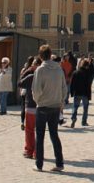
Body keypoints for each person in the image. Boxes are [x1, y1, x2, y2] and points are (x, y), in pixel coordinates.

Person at [31, 45, 65, 173]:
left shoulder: (40, 70)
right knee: (54, 135)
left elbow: (36, 90)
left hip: (43, 106)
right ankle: (60, 163)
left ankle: (39, 165)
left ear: (40, 56)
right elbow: (64, 88)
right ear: (50, 54)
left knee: (40, 136)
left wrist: (38, 101)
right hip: (55, 106)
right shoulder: (59, 69)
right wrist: (60, 102)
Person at [18, 57, 41, 159]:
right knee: (39, 131)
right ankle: (37, 153)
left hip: (31, 106)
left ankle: (29, 150)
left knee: (30, 130)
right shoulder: (44, 76)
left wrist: (27, 70)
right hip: (41, 106)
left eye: (34, 64)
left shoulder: (31, 76)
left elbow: (19, 83)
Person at [69, 58, 92, 128]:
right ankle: (84, 121)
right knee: (85, 108)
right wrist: (89, 95)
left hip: (77, 92)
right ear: (87, 66)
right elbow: (89, 85)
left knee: (75, 107)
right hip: (85, 93)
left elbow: (72, 83)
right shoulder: (88, 73)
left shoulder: (75, 72)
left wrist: (72, 92)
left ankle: (73, 118)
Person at [18, 56, 35, 130]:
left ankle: (22, 122)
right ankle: (29, 123)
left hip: (24, 90)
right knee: (29, 107)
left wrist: (20, 90)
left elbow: (20, 79)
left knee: (23, 107)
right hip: (30, 91)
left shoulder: (24, 69)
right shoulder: (33, 70)